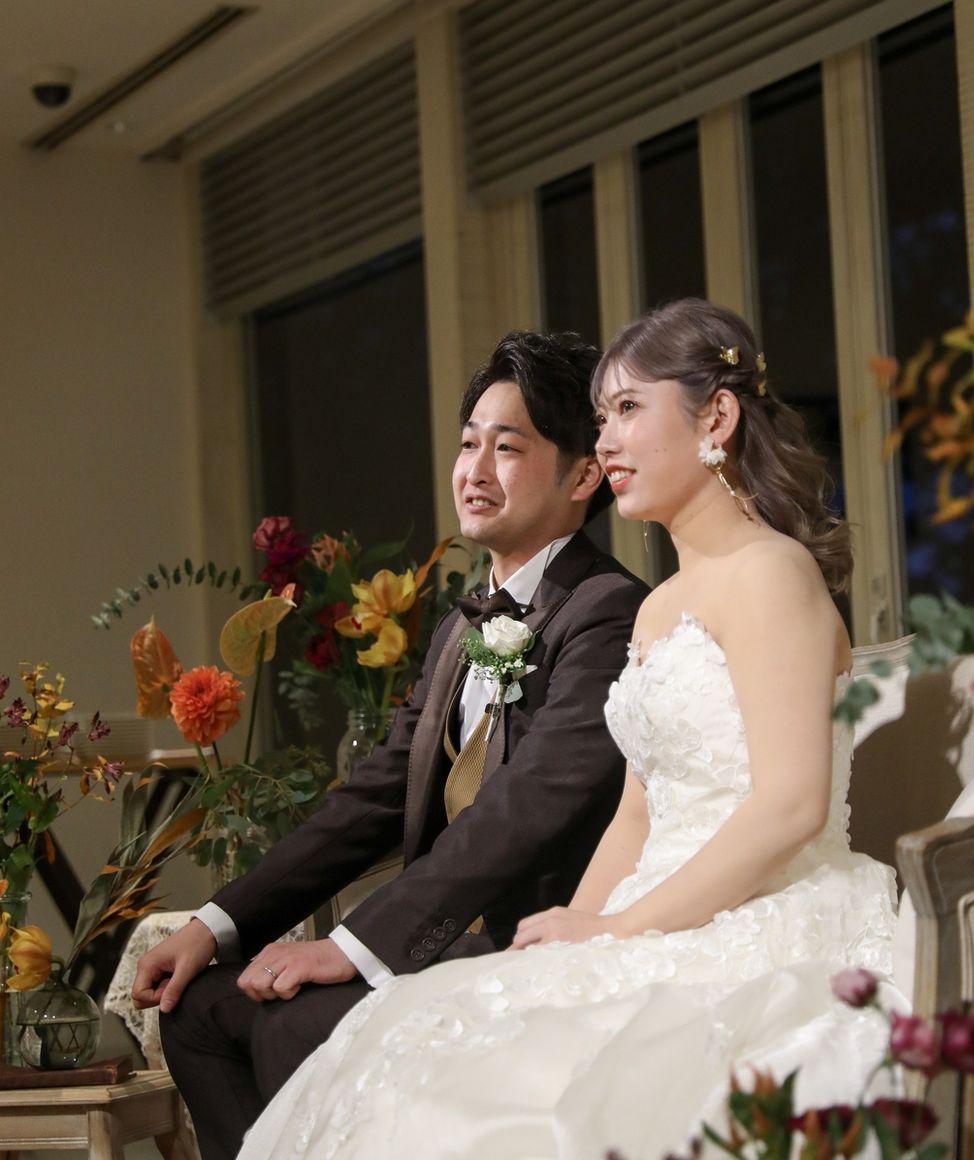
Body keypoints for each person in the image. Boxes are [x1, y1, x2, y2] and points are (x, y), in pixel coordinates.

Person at [236, 298, 901, 1160]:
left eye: (627, 409)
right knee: (418, 1047)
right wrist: (569, 940)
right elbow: (636, 815)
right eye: (600, 416)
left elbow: (791, 807)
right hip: (647, 916)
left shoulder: (771, 574)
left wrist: (621, 932)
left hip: (762, 916)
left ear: (716, 417)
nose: (607, 440)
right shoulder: (659, 609)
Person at [131, 330, 649, 1160]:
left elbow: (527, 808)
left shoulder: (610, 612)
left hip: (530, 942)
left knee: (296, 1024)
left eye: (508, 448)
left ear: (584, 475)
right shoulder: (460, 624)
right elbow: (373, 795)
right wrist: (217, 922)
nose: (475, 471)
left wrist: (352, 946)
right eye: (469, 443)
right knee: (195, 1010)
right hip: (441, 939)